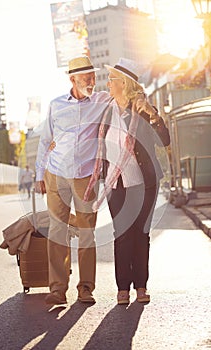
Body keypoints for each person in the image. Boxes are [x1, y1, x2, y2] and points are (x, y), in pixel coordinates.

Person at [84, 58, 170, 304]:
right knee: (122, 233)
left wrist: (153, 115)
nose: (107, 83)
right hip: (115, 183)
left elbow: (164, 141)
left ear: (123, 83)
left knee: (140, 233)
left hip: (145, 183)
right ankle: (123, 288)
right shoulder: (106, 110)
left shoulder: (142, 109)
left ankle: (141, 286)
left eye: (111, 79)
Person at [35, 56, 110, 305]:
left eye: (93, 76)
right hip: (56, 173)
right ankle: (57, 289)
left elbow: (124, 100)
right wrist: (39, 175)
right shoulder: (56, 105)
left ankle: (86, 288)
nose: (91, 81)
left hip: (86, 175)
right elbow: (46, 141)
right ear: (73, 79)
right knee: (57, 231)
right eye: (86, 77)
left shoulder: (102, 101)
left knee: (87, 233)